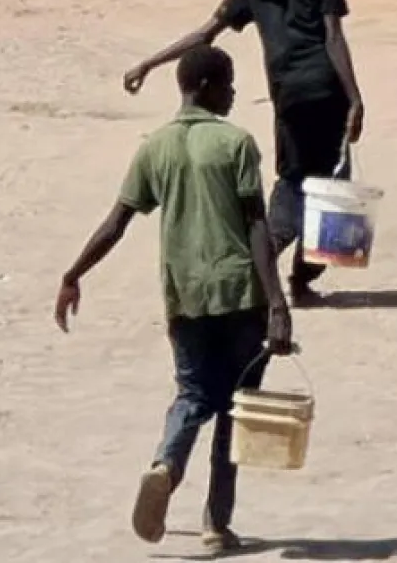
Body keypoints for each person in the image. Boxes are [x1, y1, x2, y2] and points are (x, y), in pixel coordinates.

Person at [55, 46, 293, 552]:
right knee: (236, 408)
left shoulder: (155, 148)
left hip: (184, 297)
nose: (232, 93)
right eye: (227, 84)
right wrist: (277, 303)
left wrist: (74, 273)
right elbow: (256, 226)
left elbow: (116, 223)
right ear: (205, 86)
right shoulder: (236, 144)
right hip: (240, 295)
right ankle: (215, 522)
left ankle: (166, 463)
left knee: (192, 395)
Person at [123, 0, 366, 305]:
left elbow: (205, 34)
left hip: (288, 96)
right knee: (333, 190)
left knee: (293, 181)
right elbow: (333, 38)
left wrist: (149, 63)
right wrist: (355, 98)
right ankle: (291, 275)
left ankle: (275, 262)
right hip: (328, 91)